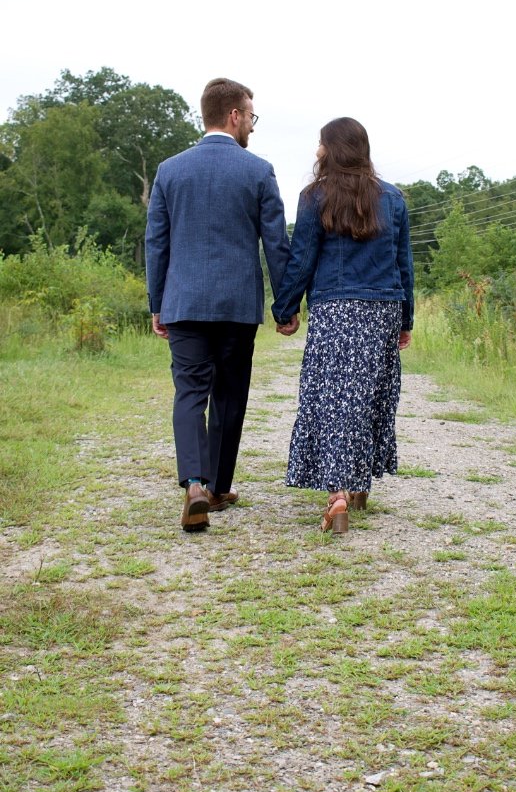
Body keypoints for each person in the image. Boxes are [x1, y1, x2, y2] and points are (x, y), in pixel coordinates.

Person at [145, 77, 298, 532]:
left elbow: (157, 243)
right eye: (250, 115)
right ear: (234, 115)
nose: (252, 123)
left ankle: (194, 483)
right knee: (229, 392)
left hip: (184, 301)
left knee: (190, 392)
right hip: (235, 305)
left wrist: (158, 302)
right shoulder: (258, 170)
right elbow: (277, 244)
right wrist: (285, 304)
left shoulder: (170, 170)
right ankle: (217, 488)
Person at [271, 117, 413, 534]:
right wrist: (406, 319)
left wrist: (285, 309)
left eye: (320, 144)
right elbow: (404, 266)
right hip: (383, 307)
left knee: (334, 400)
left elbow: (302, 258)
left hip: (336, 309)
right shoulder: (393, 199)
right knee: (371, 395)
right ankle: (360, 483)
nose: (316, 151)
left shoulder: (315, 196)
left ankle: (338, 495)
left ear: (330, 150)